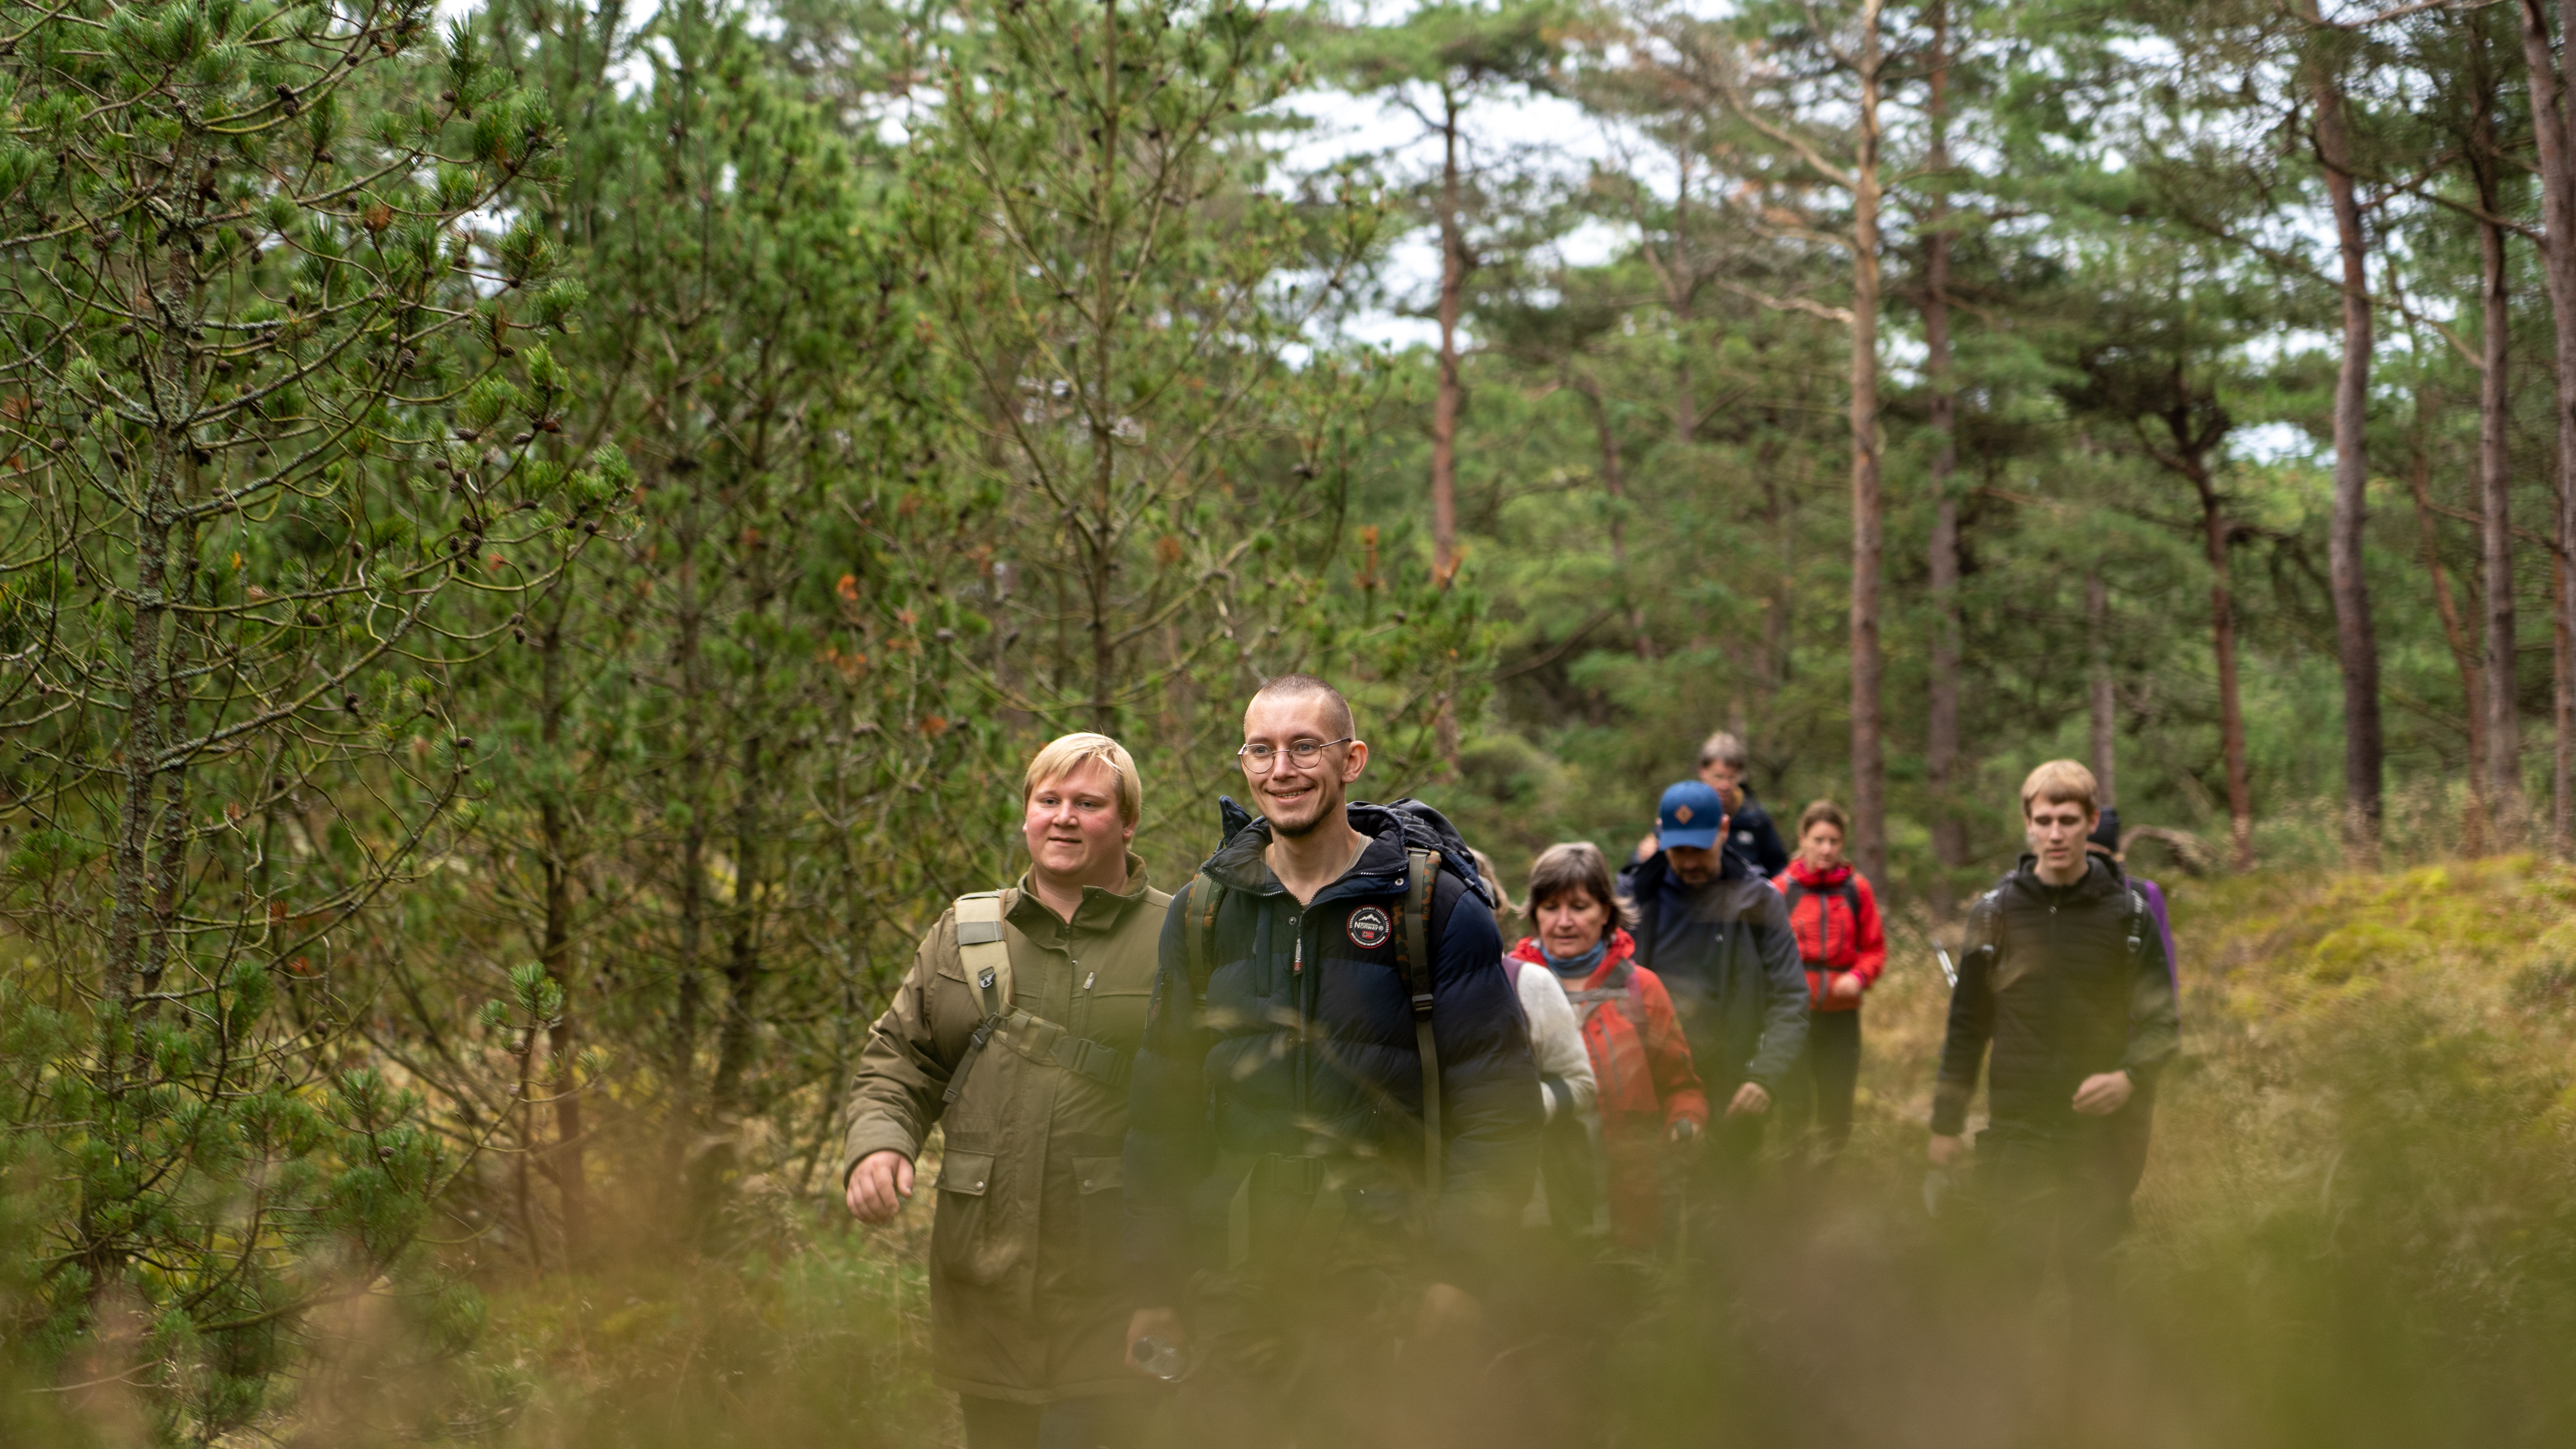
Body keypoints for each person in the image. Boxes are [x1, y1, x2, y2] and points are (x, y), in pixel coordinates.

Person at [1120, 675, 1540, 1445]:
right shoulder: (1204, 912)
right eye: (1263, 749)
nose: (1283, 769)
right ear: (1243, 764)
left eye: (1305, 746)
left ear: (1352, 759)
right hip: (1235, 1281)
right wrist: (1155, 1284)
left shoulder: (1435, 909)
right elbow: (1161, 1119)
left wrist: (1460, 1272)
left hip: (1392, 1278)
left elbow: (1500, 1112)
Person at [840, 734, 1172, 1449]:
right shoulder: (965, 931)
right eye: (1047, 800)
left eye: (1088, 803)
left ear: (1127, 822)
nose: (1063, 817)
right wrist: (878, 1145)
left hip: (1117, 1290)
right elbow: (901, 1058)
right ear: (1025, 815)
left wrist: (1177, 1286)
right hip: (983, 1286)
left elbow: (1215, 1113)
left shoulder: (1179, 939)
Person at [1928, 761, 2181, 1292]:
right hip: (2016, 1139)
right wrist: (1946, 1123)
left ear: (2092, 822)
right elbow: (1967, 1026)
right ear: (2027, 824)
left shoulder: (2130, 914)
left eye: (2068, 819)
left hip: (2098, 1143)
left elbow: (2164, 1024)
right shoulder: (1992, 915)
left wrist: (2129, 1077)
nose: (2056, 833)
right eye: (2044, 820)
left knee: (2096, 1298)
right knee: (2009, 1297)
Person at [1507, 842, 1703, 1248]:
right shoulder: (1509, 989)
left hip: (1630, 1200)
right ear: (1533, 913)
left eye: (1579, 907)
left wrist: (1687, 1121)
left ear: (1607, 912)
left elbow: (1681, 1086)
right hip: (1540, 1209)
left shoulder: (1640, 989)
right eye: (1550, 907)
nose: (1563, 922)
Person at [1616, 781, 1807, 1191]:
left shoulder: (1760, 901)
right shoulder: (1633, 897)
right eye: (1678, 850)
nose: (1689, 863)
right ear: (1660, 835)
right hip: (1650, 1085)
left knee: (1728, 1213)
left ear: (1724, 829)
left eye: (1699, 849)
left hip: (1732, 1087)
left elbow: (1790, 998)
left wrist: (1764, 1076)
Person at [1475, 849, 1600, 1233]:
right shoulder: (1389, 988)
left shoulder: (1529, 984)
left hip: (1532, 1210)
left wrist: (1527, 1106)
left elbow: (1582, 1085)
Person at [1770, 800, 1885, 1164]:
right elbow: (1762, 955)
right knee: (1794, 1105)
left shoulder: (1857, 890)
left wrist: (1859, 977)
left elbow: (1875, 949)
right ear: (1802, 839)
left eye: (1834, 841)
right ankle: (1793, 1190)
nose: (1826, 849)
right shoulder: (1780, 891)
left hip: (1841, 1018)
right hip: (1793, 1019)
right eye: (1819, 839)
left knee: (1837, 1107)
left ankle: (1828, 1185)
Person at [2086, 808, 2177, 1202]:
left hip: (2134, 1048)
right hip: (2073, 1048)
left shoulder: (2143, 896)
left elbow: (2164, 982)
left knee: (2125, 1161)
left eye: (2097, 855)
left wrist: (2150, 1054)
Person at [1631, 731, 1789, 876]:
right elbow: (1642, 863)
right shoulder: (1683, 808)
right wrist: (1642, 856)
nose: (1725, 786)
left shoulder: (1755, 819)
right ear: (1703, 772)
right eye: (1718, 777)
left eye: (1732, 777)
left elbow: (1778, 869)